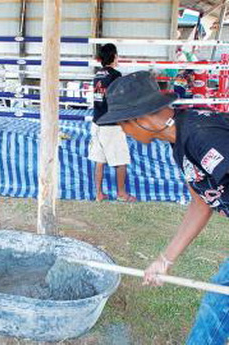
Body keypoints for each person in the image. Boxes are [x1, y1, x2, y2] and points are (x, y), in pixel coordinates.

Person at [98, 70, 228, 344]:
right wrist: (164, 260)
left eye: (122, 125)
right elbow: (200, 203)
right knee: (217, 309)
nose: (123, 132)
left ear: (139, 118)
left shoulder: (201, 136)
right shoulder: (181, 141)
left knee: (217, 309)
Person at [88, 43, 136, 202]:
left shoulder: (97, 75)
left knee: (99, 161)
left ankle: (98, 194)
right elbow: (120, 99)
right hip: (111, 124)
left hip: (97, 122)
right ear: (114, 56)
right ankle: (121, 193)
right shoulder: (116, 75)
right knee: (121, 160)